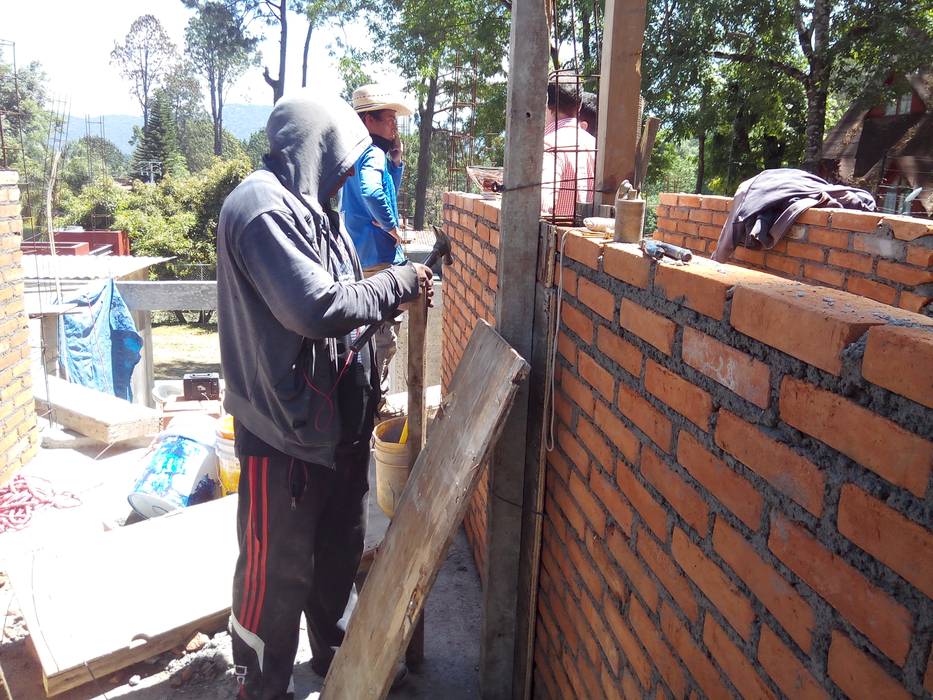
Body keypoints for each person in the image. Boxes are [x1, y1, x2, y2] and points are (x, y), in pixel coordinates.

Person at [216, 90, 433, 699]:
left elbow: (341, 299)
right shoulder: (261, 209)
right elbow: (315, 307)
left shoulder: (315, 211)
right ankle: (259, 682)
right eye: (339, 161)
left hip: (330, 423)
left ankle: (332, 652)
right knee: (275, 571)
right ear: (311, 148)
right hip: (283, 430)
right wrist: (397, 282)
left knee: (338, 547)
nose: (344, 176)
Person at [341, 84, 414, 407]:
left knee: (370, 332)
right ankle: (375, 403)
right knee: (383, 337)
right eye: (388, 119)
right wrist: (394, 228)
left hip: (363, 255)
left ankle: (370, 398)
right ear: (368, 121)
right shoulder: (371, 153)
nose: (394, 127)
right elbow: (372, 193)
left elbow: (382, 188)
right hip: (379, 260)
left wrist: (395, 164)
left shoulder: (360, 154)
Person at [541, 76, 597, 218]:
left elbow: (543, 205)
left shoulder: (549, 145)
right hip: (587, 236)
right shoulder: (596, 146)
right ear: (579, 106)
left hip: (558, 238)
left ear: (547, 102)